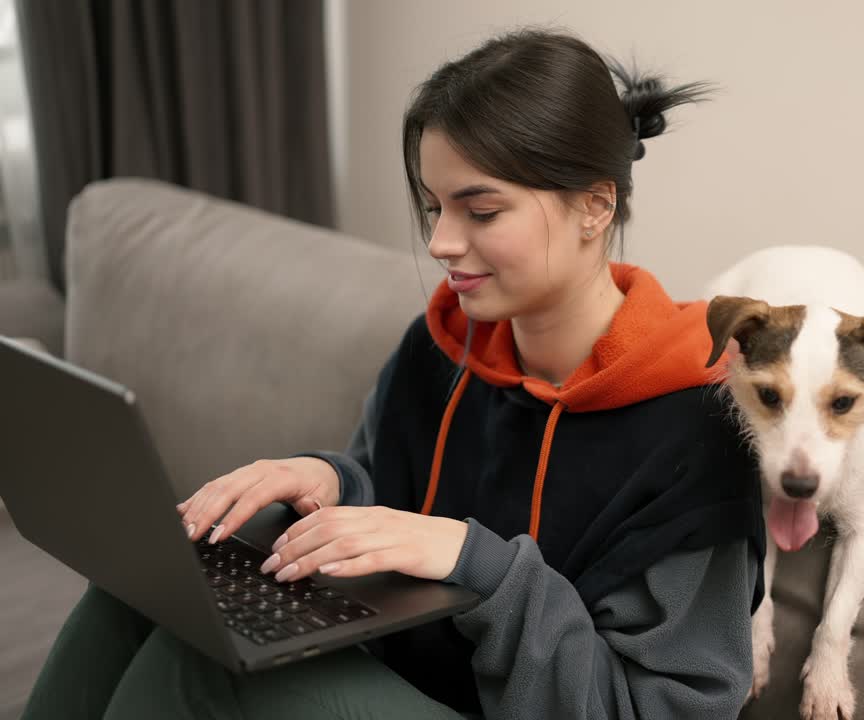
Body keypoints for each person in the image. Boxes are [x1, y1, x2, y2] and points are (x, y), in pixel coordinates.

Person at [22, 29, 764, 720]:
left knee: (207, 670)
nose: (441, 241)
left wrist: (483, 570)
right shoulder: (441, 346)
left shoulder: (700, 427)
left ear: (595, 206)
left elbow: (656, 706)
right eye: (435, 206)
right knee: (148, 590)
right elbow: (395, 495)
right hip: (395, 681)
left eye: (480, 210)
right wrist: (332, 483)